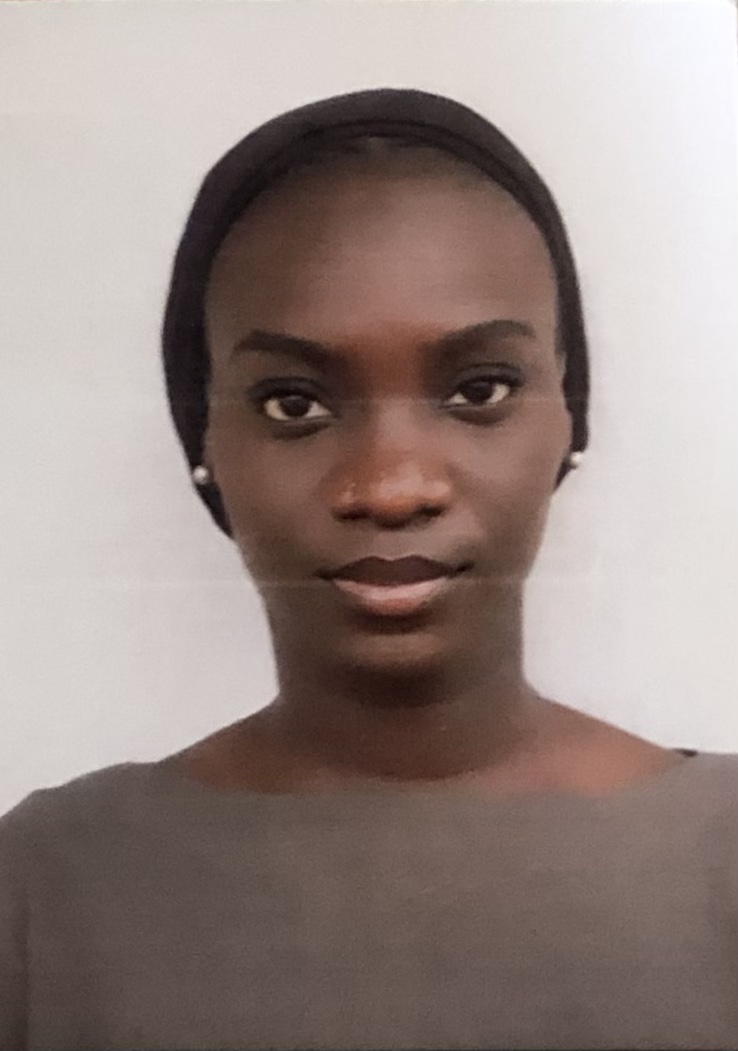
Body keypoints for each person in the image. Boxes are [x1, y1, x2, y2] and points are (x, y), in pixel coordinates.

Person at [1, 88, 735, 1051]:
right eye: (293, 404)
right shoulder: (44, 892)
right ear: (204, 441)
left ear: (570, 417)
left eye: (480, 389)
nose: (392, 487)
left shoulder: (720, 857)